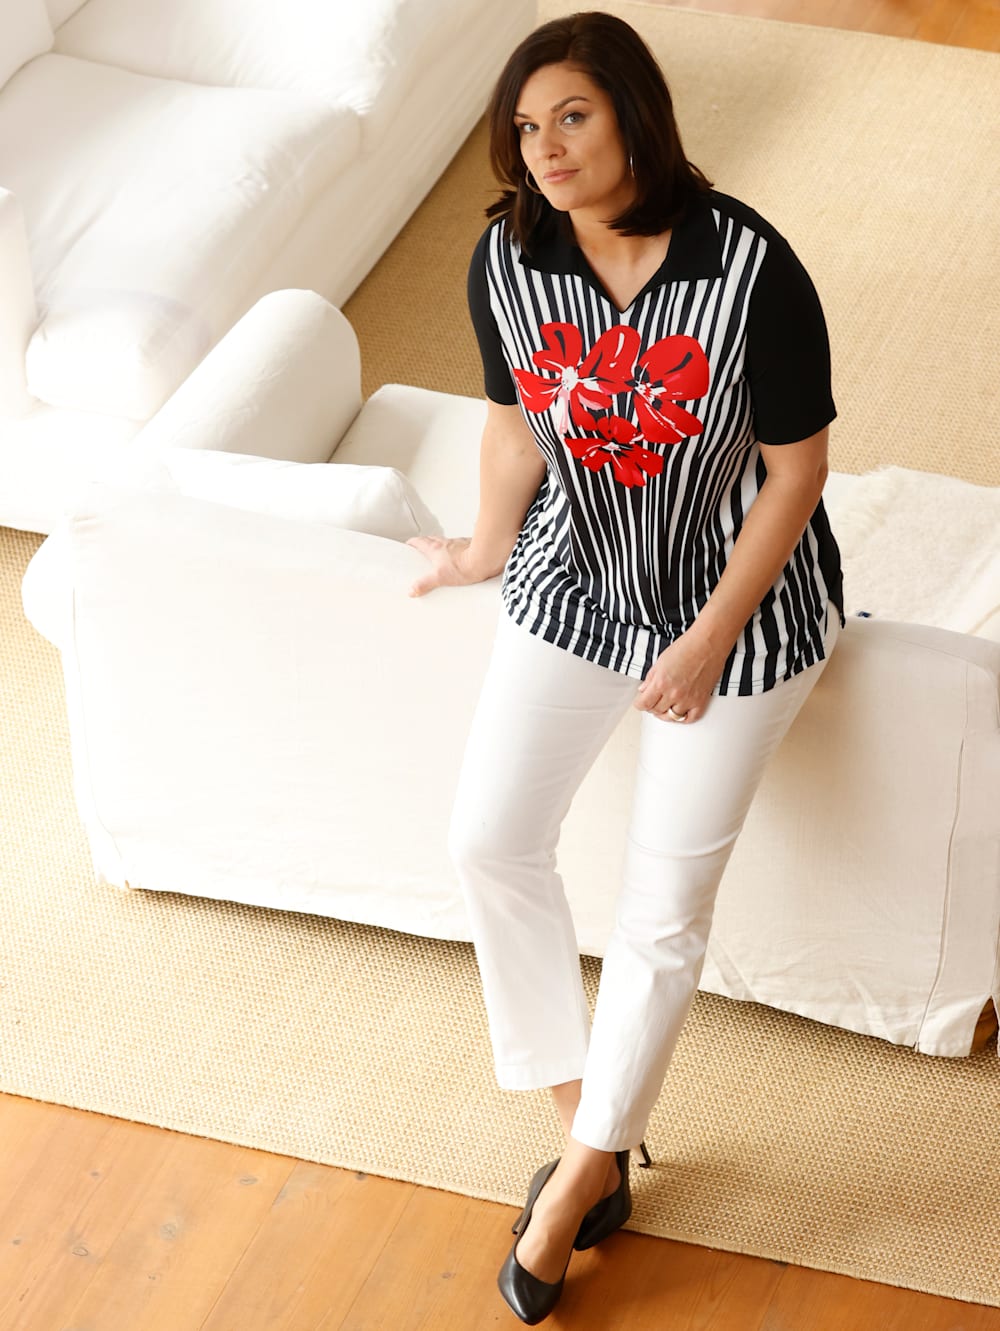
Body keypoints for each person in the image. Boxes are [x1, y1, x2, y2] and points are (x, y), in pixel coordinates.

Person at [407, 10, 844, 1324]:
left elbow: (797, 470)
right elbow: (512, 421)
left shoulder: (751, 267)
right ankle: (589, 1131)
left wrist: (708, 637)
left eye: (573, 116)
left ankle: (573, 1192)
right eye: (525, 128)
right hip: (577, 579)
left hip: (741, 616)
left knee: (661, 913)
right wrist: (485, 545)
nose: (545, 149)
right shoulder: (508, 254)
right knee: (490, 840)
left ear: (636, 115)